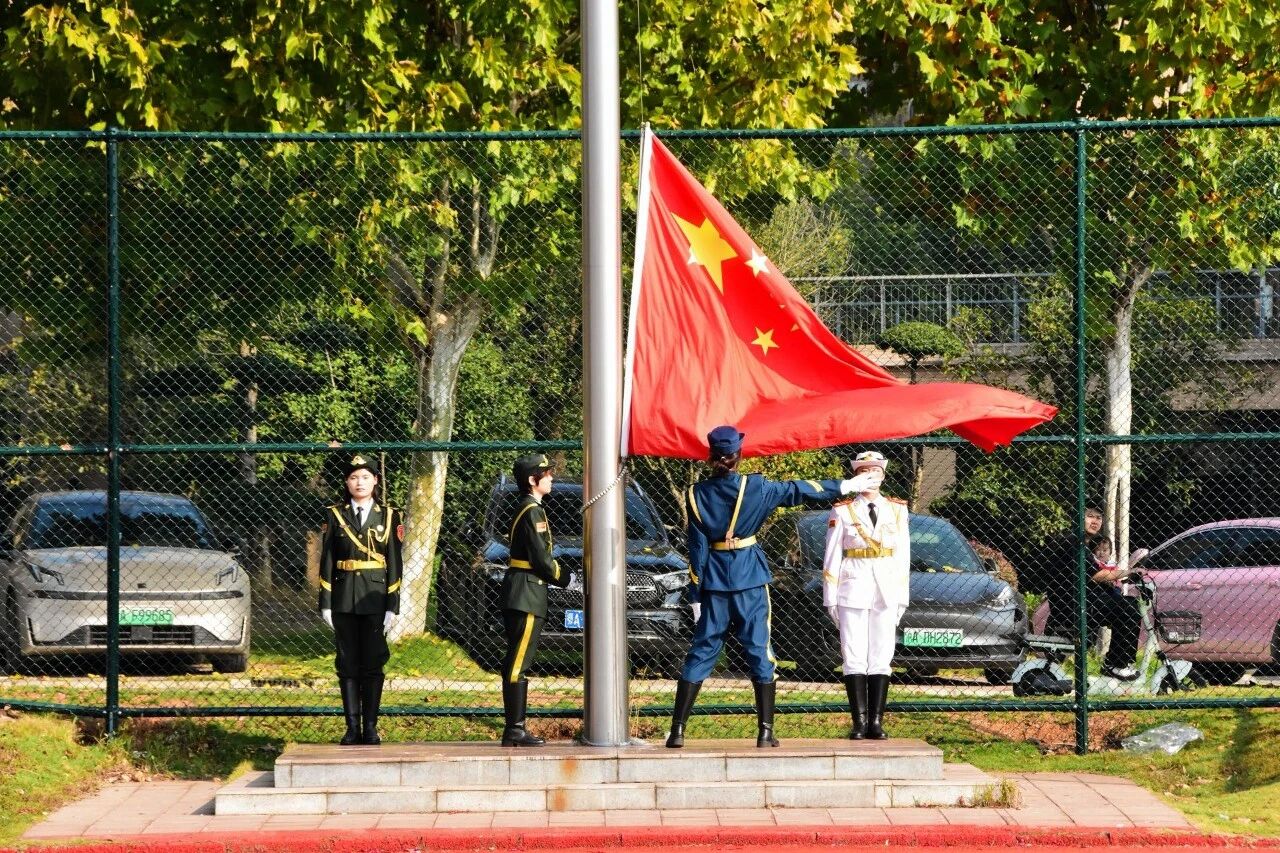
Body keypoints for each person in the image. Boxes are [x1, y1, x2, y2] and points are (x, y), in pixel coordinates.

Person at [665, 425, 876, 749]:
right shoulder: (756, 487)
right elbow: (798, 490)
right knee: (759, 650)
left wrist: (695, 593)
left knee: (702, 651)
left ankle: (677, 731)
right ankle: (765, 732)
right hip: (750, 578)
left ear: (711, 456)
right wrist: (845, 485)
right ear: (738, 455)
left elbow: (697, 549)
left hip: (715, 583)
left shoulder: (695, 494)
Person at [822, 450, 910, 740]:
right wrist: (831, 597)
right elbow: (832, 557)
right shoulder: (843, 511)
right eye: (864, 471)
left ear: (883, 476)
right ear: (856, 477)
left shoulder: (897, 510)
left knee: (882, 656)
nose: (871, 476)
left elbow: (903, 557)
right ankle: (859, 722)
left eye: (876, 471)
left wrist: (902, 596)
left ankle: (876, 722)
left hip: (886, 589)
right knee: (854, 655)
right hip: (853, 588)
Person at [318, 454, 403, 745]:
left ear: (375, 481)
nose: (359, 482)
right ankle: (352, 728)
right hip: (343, 598)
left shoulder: (389, 516)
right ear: (346, 482)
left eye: (365, 477)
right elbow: (327, 559)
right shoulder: (334, 515)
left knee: (373, 663)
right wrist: (326, 601)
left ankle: (371, 728)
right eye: (354, 477)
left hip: (375, 599)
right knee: (347, 663)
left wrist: (392, 605)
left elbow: (395, 561)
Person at [500, 453, 570, 747]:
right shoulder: (532, 511)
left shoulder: (530, 508)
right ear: (532, 480)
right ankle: (514, 730)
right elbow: (541, 559)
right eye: (546, 473)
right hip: (527, 593)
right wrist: (566, 578)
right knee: (518, 663)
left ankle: (515, 728)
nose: (551, 477)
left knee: (518, 661)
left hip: (524, 591)